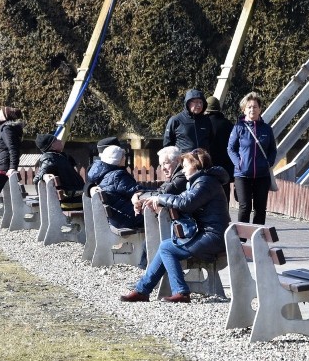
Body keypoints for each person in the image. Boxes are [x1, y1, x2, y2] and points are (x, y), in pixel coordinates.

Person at [120, 148, 230, 304]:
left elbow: (186, 203)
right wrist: (161, 198)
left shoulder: (205, 182)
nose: (183, 170)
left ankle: (180, 292)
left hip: (213, 236)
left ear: (196, 165)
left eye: (185, 166)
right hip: (208, 234)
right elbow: (182, 198)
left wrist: (160, 197)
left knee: (166, 248)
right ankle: (142, 290)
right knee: (166, 246)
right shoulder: (201, 180)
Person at [227, 92, 277, 225]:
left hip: (262, 175)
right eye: (249, 107)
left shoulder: (267, 129)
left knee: (260, 209)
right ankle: (241, 239)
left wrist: (268, 163)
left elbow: (273, 149)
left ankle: (257, 237)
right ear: (244, 109)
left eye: (255, 107)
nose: (252, 109)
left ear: (260, 109)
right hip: (242, 174)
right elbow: (230, 149)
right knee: (245, 207)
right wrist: (239, 163)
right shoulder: (238, 128)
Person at [89, 145, 144, 230]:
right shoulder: (118, 175)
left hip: (115, 218)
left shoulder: (102, 175)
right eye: (123, 156)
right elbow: (135, 190)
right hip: (127, 218)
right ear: (119, 160)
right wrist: (157, 191)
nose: (125, 158)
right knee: (156, 213)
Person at [32, 133, 85, 201]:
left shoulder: (58, 156)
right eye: (56, 140)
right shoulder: (49, 159)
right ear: (52, 146)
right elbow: (36, 180)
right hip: (73, 197)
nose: (60, 141)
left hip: (77, 195)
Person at [204, 96, 234, 202]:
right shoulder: (228, 124)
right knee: (224, 198)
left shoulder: (203, 124)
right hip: (225, 167)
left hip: (207, 166)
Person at [163, 89, 212, 153]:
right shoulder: (176, 120)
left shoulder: (206, 120)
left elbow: (211, 140)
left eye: (201, 102)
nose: (199, 105)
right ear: (188, 103)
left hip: (203, 160)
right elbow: (167, 144)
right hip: (183, 160)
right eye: (196, 102)